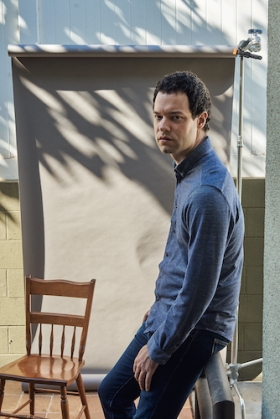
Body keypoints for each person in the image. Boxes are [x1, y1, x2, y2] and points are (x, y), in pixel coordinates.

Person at [98, 71, 244, 419]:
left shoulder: (208, 193)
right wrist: (161, 303)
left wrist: (158, 348)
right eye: (159, 116)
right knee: (111, 393)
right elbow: (184, 261)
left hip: (198, 326)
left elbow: (198, 291)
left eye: (176, 118)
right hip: (173, 311)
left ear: (201, 119)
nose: (163, 126)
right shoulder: (189, 173)